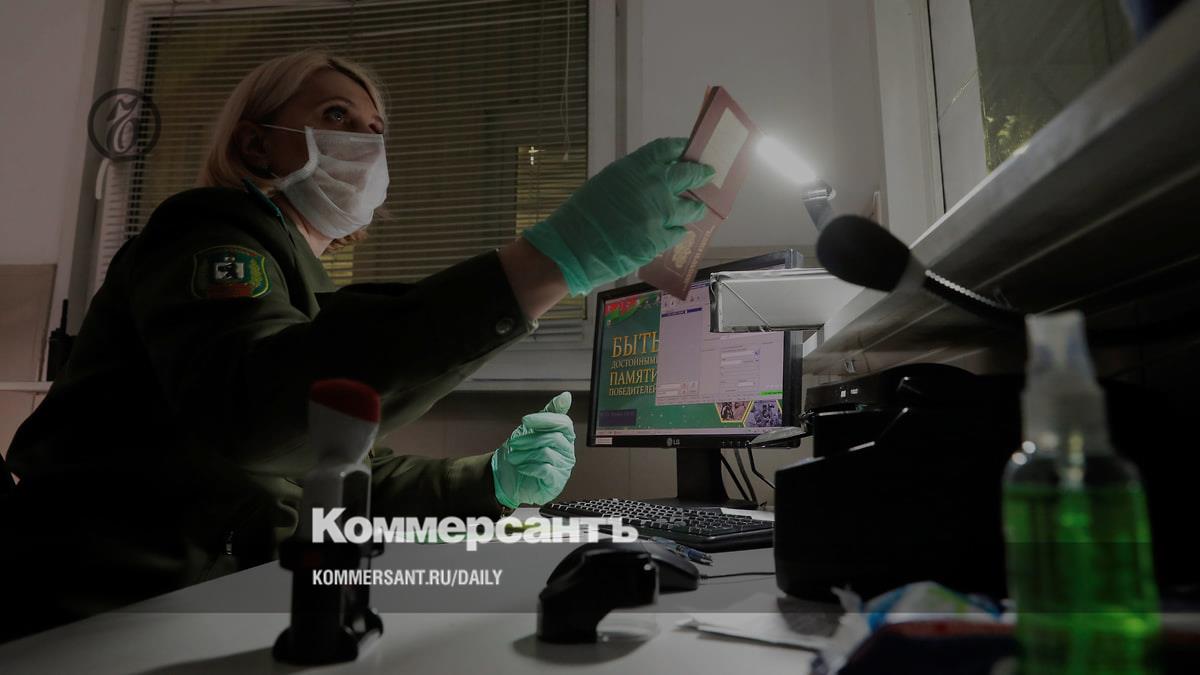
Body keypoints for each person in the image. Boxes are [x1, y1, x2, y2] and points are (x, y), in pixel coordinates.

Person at [0, 50, 714, 640]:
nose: (366, 143)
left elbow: (340, 475)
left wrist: (491, 479)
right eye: (337, 117)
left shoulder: (301, 284)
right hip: (98, 611)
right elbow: (259, 416)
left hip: (209, 602)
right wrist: (547, 261)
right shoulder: (204, 230)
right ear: (255, 144)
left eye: (376, 129)